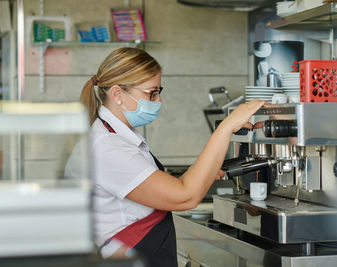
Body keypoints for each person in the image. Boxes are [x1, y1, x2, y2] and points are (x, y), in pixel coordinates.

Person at [67, 47, 264, 266]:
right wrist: (226, 127)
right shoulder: (106, 147)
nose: (158, 101)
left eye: (159, 91)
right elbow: (185, 196)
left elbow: (163, 189)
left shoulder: (114, 135)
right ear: (117, 94)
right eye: (151, 93)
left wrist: (204, 173)